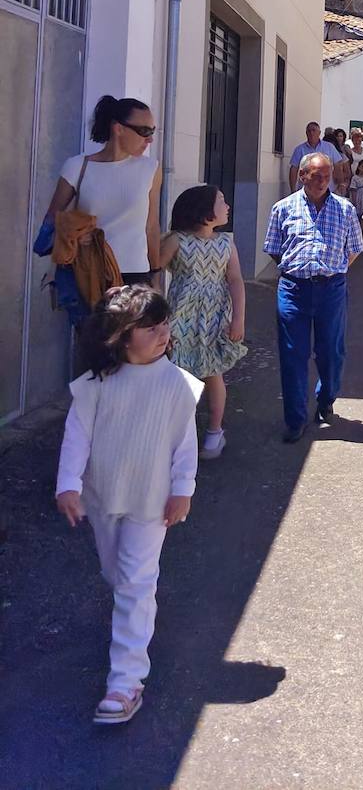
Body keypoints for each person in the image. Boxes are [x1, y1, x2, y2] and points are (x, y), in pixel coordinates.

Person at [54, 286, 203, 725]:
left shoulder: (177, 384)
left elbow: (184, 446)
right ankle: (132, 627)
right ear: (120, 337)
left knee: (136, 581)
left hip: (151, 501)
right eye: (150, 327)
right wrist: (68, 485)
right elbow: (76, 435)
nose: (163, 333)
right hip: (103, 496)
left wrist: (183, 490)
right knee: (117, 574)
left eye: (164, 325)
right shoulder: (95, 386)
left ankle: (125, 682)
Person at [263, 152, 363, 442]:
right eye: (316, 175)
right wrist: (298, 269)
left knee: (331, 352)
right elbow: (274, 247)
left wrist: (332, 270)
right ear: (302, 176)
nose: (322, 181)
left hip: (331, 289)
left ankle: (326, 399)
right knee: (293, 354)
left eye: (327, 175)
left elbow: (354, 248)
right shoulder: (283, 209)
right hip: (293, 290)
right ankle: (295, 419)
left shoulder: (344, 209)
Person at [158, 185, 247, 461]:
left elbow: (235, 280)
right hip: (180, 316)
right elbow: (154, 272)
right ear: (205, 211)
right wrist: (156, 315)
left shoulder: (225, 243)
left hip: (214, 318)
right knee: (177, 374)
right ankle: (173, 435)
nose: (227, 205)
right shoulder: (176, 241)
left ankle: (214, 431)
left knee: (213, 372)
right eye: (221, 201)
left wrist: (238, 320)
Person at [47, 95, 161, 288]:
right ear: (118, 128)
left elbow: (151, 225)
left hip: (134, 274)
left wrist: (156, 274)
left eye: (152, 131)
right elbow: (51, 220)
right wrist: (73, 235)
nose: (149, 139)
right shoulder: (77, 166)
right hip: (87, 271)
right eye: (144, 131)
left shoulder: (151, 168)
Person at [289, 122, 345, 193]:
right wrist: (293, 189)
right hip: (306, 192)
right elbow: (293, 169)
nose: (311, 133)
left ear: (319, 133)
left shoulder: (329, 147)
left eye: (313, 130)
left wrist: (341, 183)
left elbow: (337, 165)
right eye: (309, 131)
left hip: (327, 190)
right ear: (306, 133)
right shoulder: (299, 150)